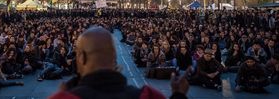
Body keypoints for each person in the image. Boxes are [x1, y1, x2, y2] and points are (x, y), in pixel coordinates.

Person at [49, 27, 188, 99]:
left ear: (82, 58)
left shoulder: (65, 97)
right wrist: (178, 95)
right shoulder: (149, 95)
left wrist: (66, 94)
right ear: (114, 57)